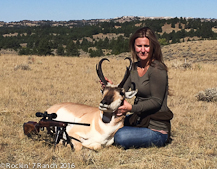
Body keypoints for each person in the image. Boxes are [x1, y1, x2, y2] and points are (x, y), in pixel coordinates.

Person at [102, 27, 173, 149]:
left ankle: (156, 137)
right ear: (134, 47)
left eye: (146, 46)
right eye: (139, 46)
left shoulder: (157, 69)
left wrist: (131, 108)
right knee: (106, 124)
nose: (143, 50)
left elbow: (156, 101)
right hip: (139, 120)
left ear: (153, 47)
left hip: (156, 128)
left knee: (120, 136)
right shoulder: (133, 68)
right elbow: (122, 91)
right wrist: (110, 87)